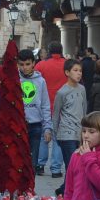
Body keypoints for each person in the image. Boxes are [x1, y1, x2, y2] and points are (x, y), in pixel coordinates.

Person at [18, 49, 52, 175]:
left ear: (33, 63)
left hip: (36, 124)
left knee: (32, 163)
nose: (24, 67)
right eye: (21, 64)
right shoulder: (15, 80)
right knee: (19, 159)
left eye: (27, 64)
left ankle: (29, 191)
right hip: (19, 124)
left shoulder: (40, 81)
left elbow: (45, 105)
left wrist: (47, 127)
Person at [53, 59, 88, 183]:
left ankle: (63, 190)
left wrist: (85, 132)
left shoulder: (82, 89)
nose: (79, 73)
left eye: (80, 71)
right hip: (66, 133)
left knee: (79, 165)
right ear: (67, 72)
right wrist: (55, 134)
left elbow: (84, 111)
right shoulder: (62, 92)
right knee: (71, 166)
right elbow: (56, 114)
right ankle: (68, 193)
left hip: (79, 133)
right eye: (75, 70)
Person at [35, 41, 67, 177]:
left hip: (45, 104)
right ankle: (55, 169)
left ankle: (40, 165)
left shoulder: (41, 65)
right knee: (58, 138)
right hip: (63, 105)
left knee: (43, 136)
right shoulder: (68, 64)